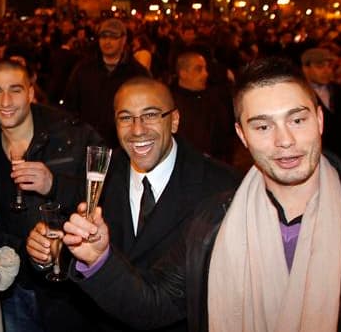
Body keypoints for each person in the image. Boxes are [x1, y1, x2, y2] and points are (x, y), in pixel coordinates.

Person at [62, 57, 341, 332]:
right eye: (262, 125)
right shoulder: (214, 221)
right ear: (242, 135)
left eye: (297, 120)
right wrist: (99, 260)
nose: (284, 140)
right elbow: (153, 305)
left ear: (320, 121)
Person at [27, 76, 239, 331]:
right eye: (126, 118)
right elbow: (75, 246)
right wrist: (46, 251)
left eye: (150, 115)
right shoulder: (100, 173)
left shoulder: (220, 186)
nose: (137, 130)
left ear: (174, 120)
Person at [0, 59, 102, 332]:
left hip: (71, 289)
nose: (6, 100)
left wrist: (54, 184)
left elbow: (110, 195)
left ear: (31, 93)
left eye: (16, 89)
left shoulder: (72, 134)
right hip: (16, 287)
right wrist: (19, 250)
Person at [63, 18, 149, 147]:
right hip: (87, 143)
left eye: (113, 37)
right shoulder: (83, 69)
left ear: (123, 39)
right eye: (103, 37)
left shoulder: (136, 73)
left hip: (124, 145)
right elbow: (70, 105)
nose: (107, 42)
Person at [300, 47, 341, 173]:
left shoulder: (340, 91)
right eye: (320, 67)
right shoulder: (300, 94)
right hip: (318, 160)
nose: (326, 71)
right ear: (306, 68)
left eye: (329, 67)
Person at [171, 51, 236, 163]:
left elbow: (226, 137)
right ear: (183, 73)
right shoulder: (170, 103)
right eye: (198, 69)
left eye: (205, 69)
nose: (205, 74)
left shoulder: (214, 98)